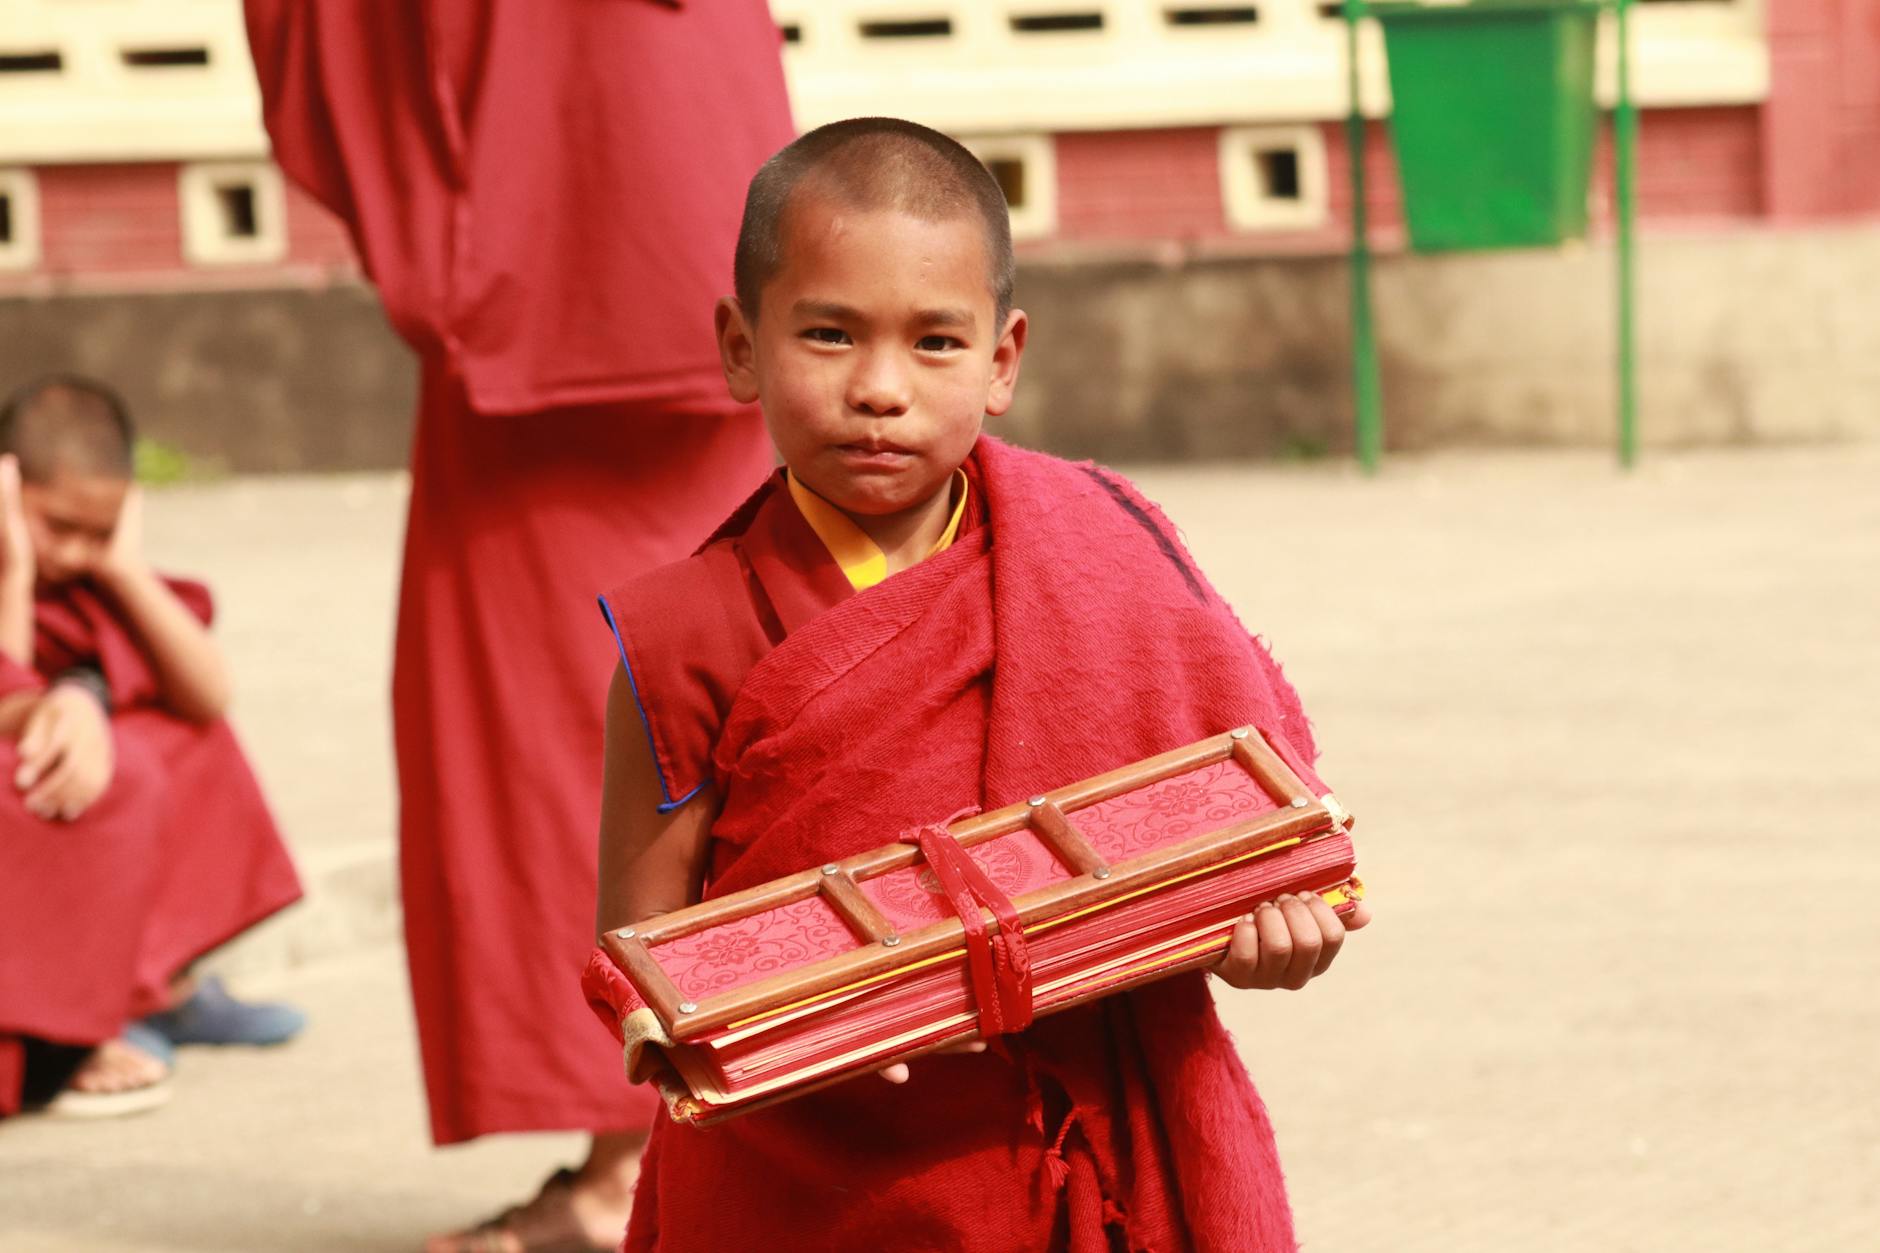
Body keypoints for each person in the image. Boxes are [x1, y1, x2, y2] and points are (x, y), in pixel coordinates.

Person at [588, 118, 1376, 1252]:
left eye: (934, 343)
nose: (878, 388)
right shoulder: (678, 632)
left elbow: (1247, 838)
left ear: (1002, 359)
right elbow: (639, 960)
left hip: (1068, 1160)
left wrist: (1278, 937)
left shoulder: (1097, 558)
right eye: (826, 333)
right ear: (738, 344)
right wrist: (807, 1015)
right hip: (797, 1183)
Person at [241, 3, 793, 1247]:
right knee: (710, 681)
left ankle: (635, 1165)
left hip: (544, 198)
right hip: (680, 173)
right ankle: (675, 1138)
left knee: (572, 719)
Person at [0, 375, 305, 1120]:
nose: (73, 553)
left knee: (188, 735)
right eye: (57, 525)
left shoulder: (97, 572)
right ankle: (78, 1017)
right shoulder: (15, 564)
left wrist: (124, 567)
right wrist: (13, 564)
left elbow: (208, 690)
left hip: (66, 727)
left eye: (96, 532)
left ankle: (156, 986)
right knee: (45, 772)